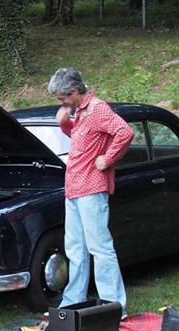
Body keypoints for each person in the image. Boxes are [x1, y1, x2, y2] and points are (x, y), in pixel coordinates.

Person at [48, 67, 134, 316]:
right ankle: (73, 300)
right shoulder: (82, 113)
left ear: (75, 91)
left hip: (92, 188)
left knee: (100, 247)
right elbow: (82, 137)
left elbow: (124, 132)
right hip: (74, 188)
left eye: (62, 98)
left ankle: (114, 306)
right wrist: (66, 125)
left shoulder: (98, 109)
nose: (61, 102)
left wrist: (107, 159)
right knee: (75, 248)